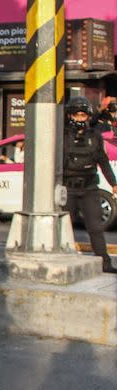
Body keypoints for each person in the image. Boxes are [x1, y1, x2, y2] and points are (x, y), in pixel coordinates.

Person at [62, 96, 117, 274]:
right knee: (64, 227)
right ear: (70, 116)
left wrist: (114, 184)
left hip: (89, 188)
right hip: (67, 188)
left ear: (88, 116)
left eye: (83, 116)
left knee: (95, 227)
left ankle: (105, 263)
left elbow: (103, 161)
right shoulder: (62, 136)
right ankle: (64, 260)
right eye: (76, 115)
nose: (79, 119)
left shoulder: (95, 136)